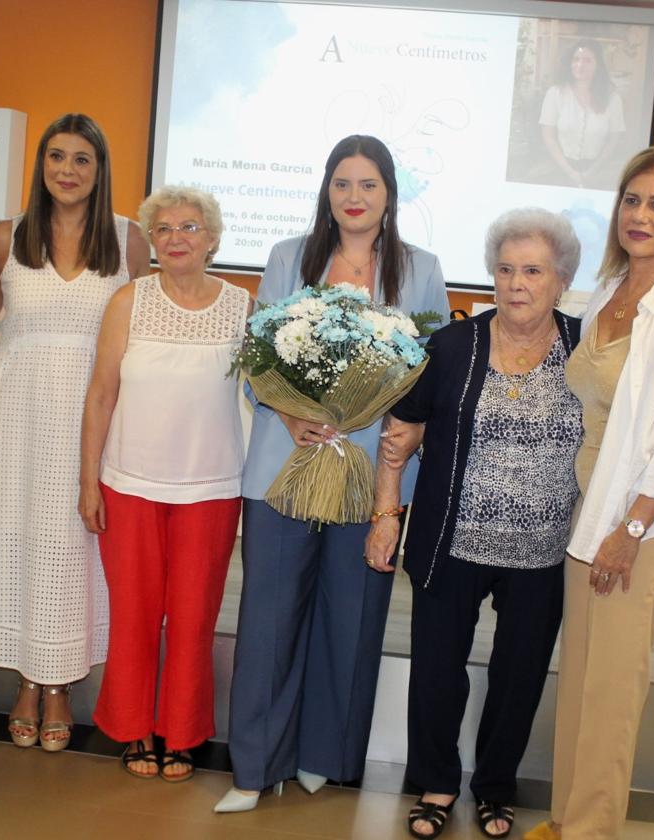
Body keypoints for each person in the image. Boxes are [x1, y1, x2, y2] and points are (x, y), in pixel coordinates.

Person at [215, 135, 450, 813]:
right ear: (326, 190)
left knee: (351, 619)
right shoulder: (290, 257)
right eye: (342, 183)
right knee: (268, 619)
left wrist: (400, 430)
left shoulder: (422, 269)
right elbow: (258, 355)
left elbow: (426, 372)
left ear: (388, 195)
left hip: (372, 474)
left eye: (368, 184)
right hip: (283, 467)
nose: (354, 197)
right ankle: (254, 769)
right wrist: (289, 414)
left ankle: (323, 757)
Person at [524, 147, 654, 840]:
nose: (640, 216)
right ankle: (564, 821)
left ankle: (590, 832)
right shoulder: (609, 291)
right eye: (632, 200)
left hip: (640, 528)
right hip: (594, 513)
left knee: (612, 696)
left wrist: (630, 533)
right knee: (582, 681)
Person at [366, 209, 584, 839]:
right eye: (505, 270)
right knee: (437, 667)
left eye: (533, 271)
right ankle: (435, 782)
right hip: (450, 542)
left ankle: (494, 787)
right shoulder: (455, 344)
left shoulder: (582, 347)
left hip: (544, 553)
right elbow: (400, 434)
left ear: (561, 279)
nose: (516, 284)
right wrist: (386, 517)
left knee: (518, 678)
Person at [0, 114, 150, 751]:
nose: (67, 169)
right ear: (41, 165)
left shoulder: (130, 239)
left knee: (71, 544)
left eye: (82, 158)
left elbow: (147, 332)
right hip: (12, 416)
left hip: (91, 416)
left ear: (100, 168)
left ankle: (57, 683)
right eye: (56, 156)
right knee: (13, 535)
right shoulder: (7, 236)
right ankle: (25, 681)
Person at [79, 185, 249, 781]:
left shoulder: (242, 306)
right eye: (164, 229)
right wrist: (88, 482)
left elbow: (262, 396)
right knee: (134, 614)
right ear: (152, 240)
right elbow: (100, 394)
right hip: (129, 484)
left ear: (213, 238)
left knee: (193, 617)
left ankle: (182, 732)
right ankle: (133, 729)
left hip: (211, 488)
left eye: (190, 227)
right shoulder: (129, 299)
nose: (176, 238)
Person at [539, 40, 625, 190]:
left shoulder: (612, 98)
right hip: (559, 169)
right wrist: (570, 172)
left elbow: (614, 138)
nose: (580, 65)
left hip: (599, 172)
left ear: (598, 65)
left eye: (587, 60)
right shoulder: (555, 93)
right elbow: (548, 135)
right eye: (576, 59)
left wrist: (592, 172)